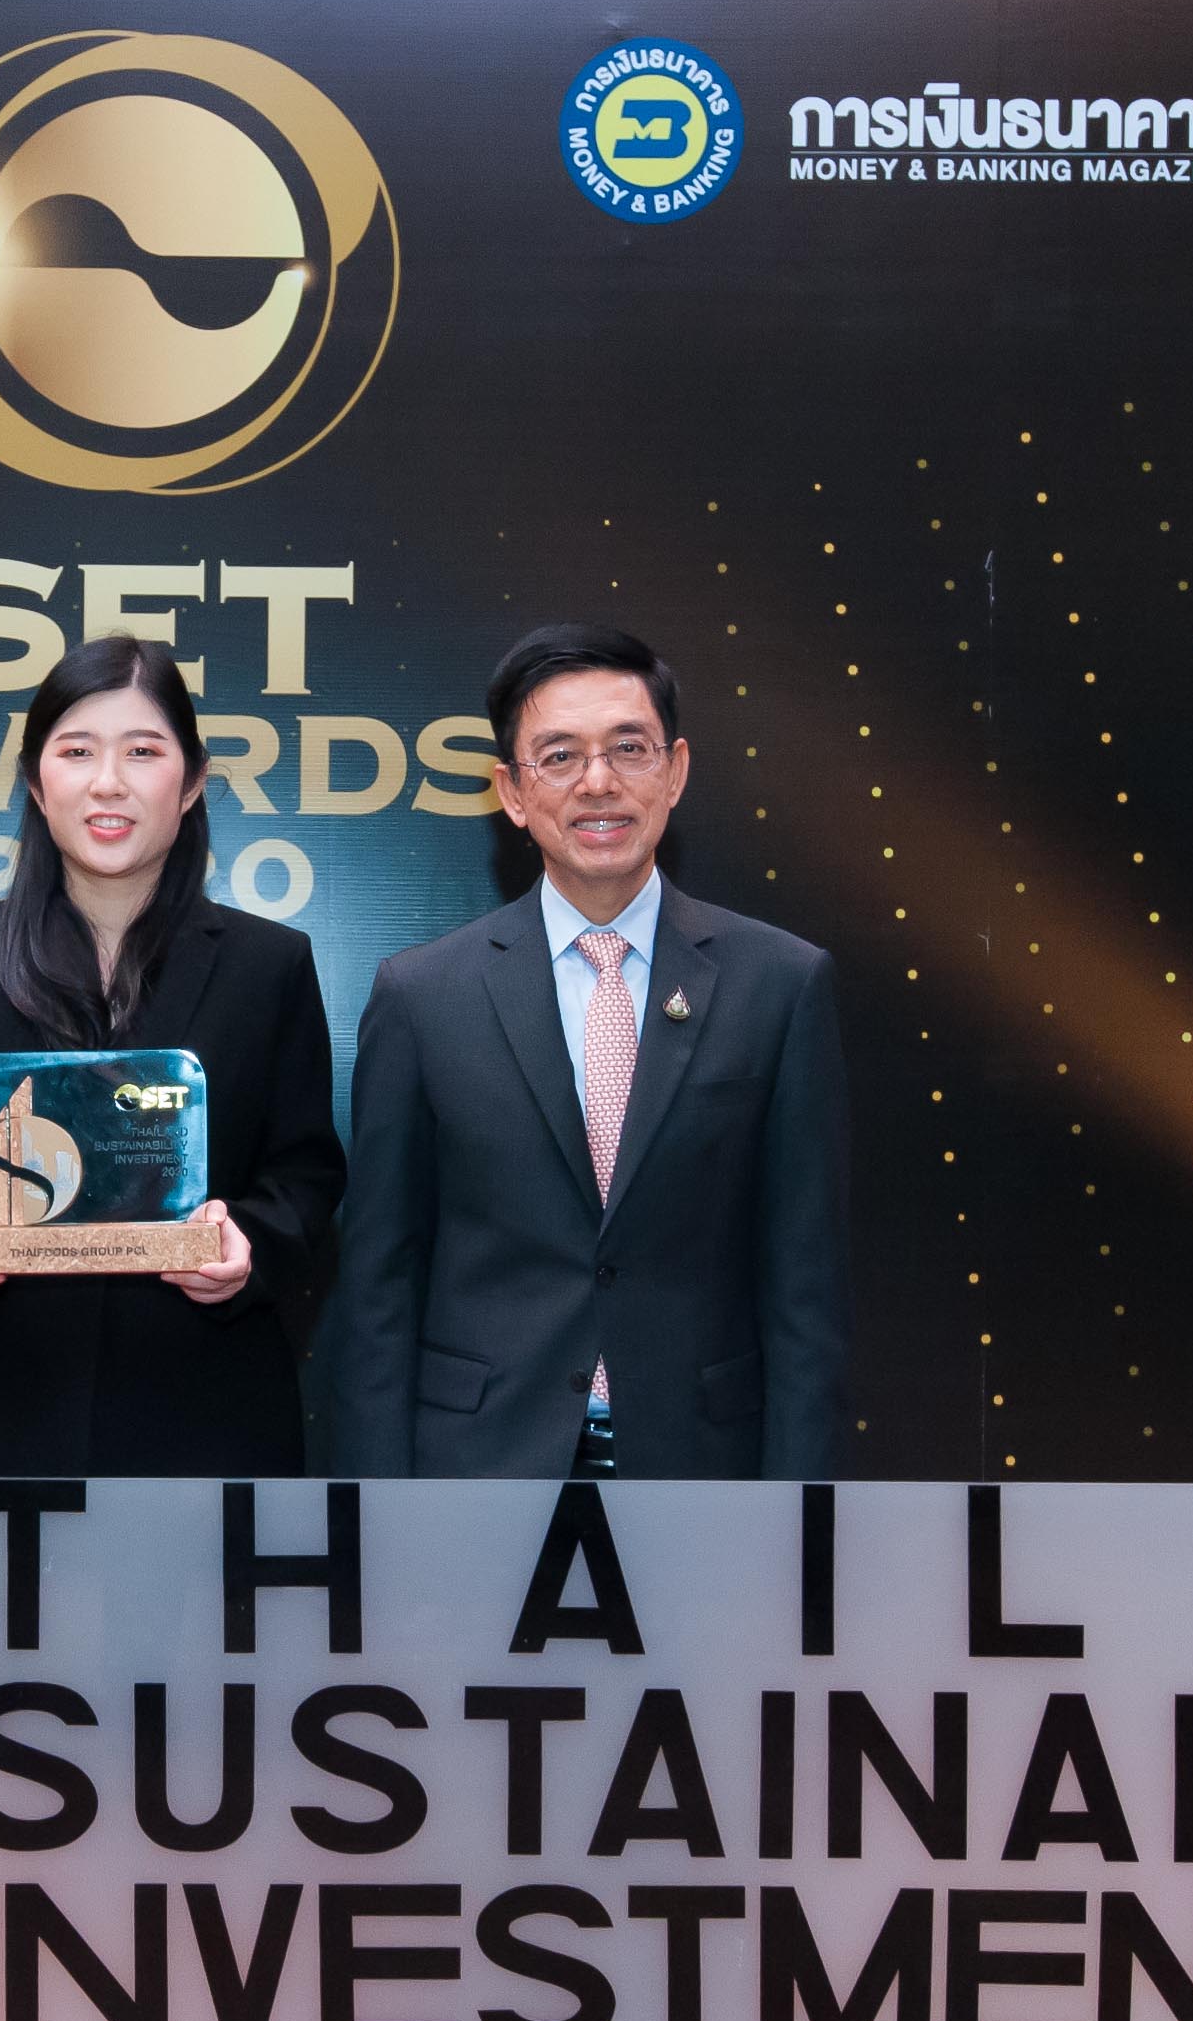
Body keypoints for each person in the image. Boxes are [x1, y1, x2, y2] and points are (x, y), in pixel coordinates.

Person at [331, 620, 847, 1481]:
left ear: (675, 771)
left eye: (628, 749)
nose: (598, 782)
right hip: (478, 1471)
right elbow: (379, 1285)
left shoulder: (780, 984)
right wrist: (377, 1512)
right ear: (512, 791)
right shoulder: (421, 996)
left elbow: (806, 1287)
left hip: (703, 1471)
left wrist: (800, 1510)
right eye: (560, 756)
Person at [0, 634, 345, 1475]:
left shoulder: (270, 965)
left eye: (143, 751)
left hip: (208, 1416)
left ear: (191, 782)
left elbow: (306, 1173)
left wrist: (247, 1247)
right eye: (77, 751)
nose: (108, 782)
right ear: (36, 782)